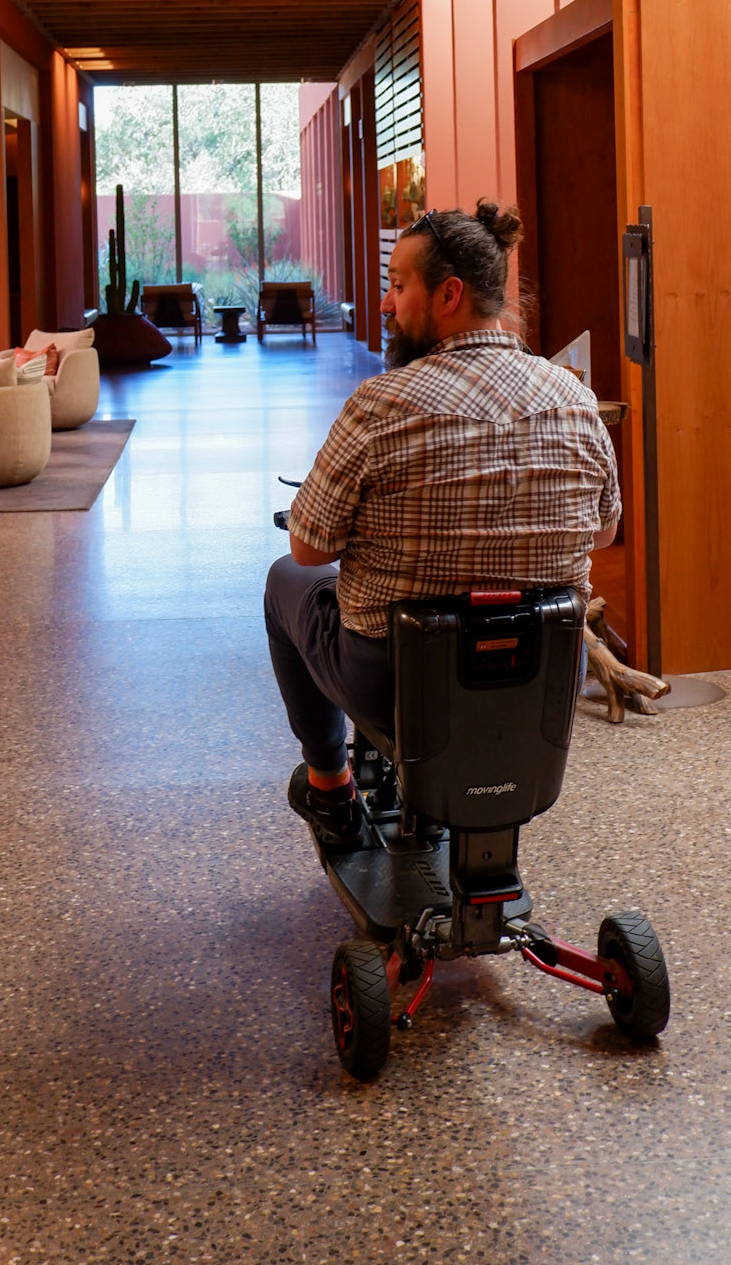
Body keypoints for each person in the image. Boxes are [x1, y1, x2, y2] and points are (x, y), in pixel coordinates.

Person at [264, 200, 620, 851]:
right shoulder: (574, 398)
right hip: (542, 680)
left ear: (449, 294)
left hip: (397, 682)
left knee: (284, 580)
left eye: (398, 285)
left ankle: (330, 787)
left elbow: (309, 548)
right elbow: (602, 533)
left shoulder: (380, 405)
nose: (385, 304)